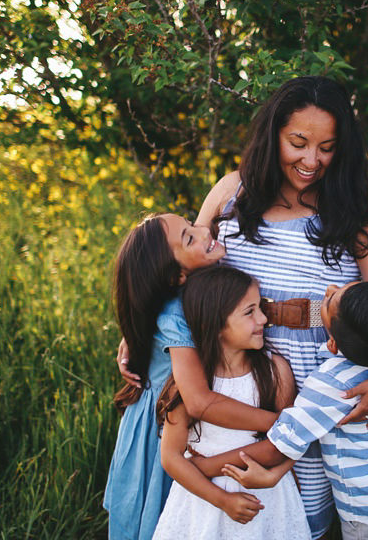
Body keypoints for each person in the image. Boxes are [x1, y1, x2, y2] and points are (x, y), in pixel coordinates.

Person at [118, 75, 368, 537]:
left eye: (328, 147)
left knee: (338, 508)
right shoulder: (232, 192)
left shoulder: (359, 210)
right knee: (267, 509)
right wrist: (142, 331)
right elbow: (187, 272)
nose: (311, 160)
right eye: (298, 142)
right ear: (273, 133)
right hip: (249, 376)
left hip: (331, 372)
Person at [202, 281, 368, 539]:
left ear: (332, 344)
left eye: (328, 302)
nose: (329, 289)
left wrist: (206, 466)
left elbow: (275, 447)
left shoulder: (331, 385)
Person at [103, 214, 279, 540]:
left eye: (191, 223)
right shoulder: (174, 315)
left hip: (180, 419)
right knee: (160, 521)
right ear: (176, 276)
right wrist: (275, 421)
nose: (203, 231)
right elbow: (197, 401)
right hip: (160, 427)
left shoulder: (193, 290)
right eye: (189, 238)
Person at [152, 266, 311, 540]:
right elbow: (170, 456)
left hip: (267, 498)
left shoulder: (275, 372)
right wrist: (222, 499)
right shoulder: (191, 383)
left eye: (260, 307)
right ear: (214, 324)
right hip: (203, 499)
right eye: (250, 312)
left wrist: (277, 473)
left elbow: (289, 442)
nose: (263, 318)